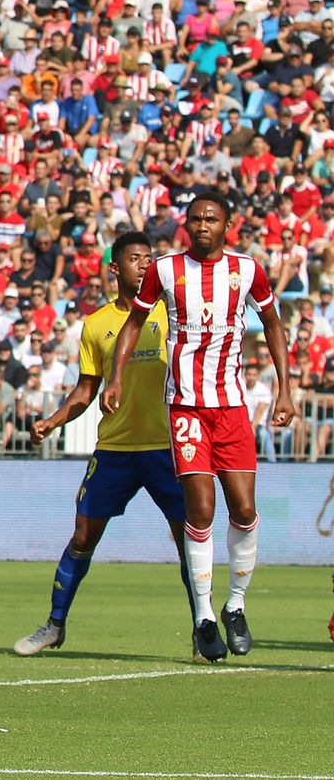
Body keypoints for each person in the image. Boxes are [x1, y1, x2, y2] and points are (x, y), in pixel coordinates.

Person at [102, 193, 295, 662]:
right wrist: (117, 377)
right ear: (186, 225)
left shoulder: (247, 270)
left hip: (231, 408)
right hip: (186, 407)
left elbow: (272, 324)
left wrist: (286, 389)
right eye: (195, 219)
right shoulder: (165, 270)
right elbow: (133, 323)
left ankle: (236, 606)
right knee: (201, 510)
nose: (203, 225)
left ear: (229, 224)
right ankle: (204, 617)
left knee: (245, 509)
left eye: (212, 218)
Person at [13, 231, 196, 656]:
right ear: (115, 268)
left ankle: (201, 627)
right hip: (115, 451)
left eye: (150, 258)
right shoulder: (96, 325)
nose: (145, 265)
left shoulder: (172, 314)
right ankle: (54, 625)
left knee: (188, 541)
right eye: (136, 259)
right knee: (82, 535)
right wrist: (52, 422)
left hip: (168, 449)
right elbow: (84, 391)